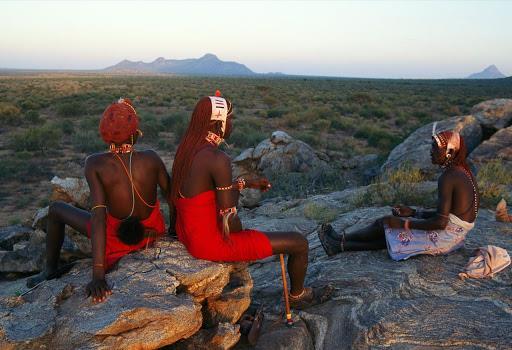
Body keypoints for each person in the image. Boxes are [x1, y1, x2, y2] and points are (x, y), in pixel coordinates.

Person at [170, 91, 331, 308]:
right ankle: (297, 296)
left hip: (188, 235)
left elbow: (203, 194)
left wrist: (247, 183)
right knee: (299, 243)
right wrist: (245, 240)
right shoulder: (218, 158)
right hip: (210, 244)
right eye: (231, 119)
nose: (233, 124)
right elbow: (230, 221)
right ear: (218, 125)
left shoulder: (187, 150)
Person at [27, 98, 171, 303]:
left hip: (117, 241)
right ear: (134, 132)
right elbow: (172, 197)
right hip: (152, 235)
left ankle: (49, 270)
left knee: (56, 209)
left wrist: (98, 275)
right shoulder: (152, 157)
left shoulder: (95, 163)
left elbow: (98, 218)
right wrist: (173, 233)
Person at [318, 124, 479, 261]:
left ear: (449, 153)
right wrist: (415, 212)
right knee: (390, 232)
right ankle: (339, 243)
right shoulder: (463, 172)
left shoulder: (449, 177)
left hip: (445, 238)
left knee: (386, 223)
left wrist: (405, 223)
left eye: (435, 148)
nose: (430, 151)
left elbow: (440, 223)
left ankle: (340, 241)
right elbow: (450, 217)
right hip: (455, 237)